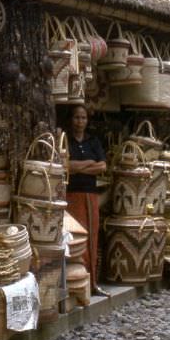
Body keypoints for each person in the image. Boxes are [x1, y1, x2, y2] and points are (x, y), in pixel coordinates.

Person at [65, 105, 108, 297]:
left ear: (87, 121)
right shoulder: (66, 141)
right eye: (76, 117)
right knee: (74, 237)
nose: (80, 121)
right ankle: (75, 282)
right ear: (71, 119)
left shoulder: (93, 142)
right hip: (71, 194)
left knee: (91, 236)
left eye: (83, 118)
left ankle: (91, 282)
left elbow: (102, 166)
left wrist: (77, 168)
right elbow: (65, 165)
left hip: (90, 194)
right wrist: (88, 164)